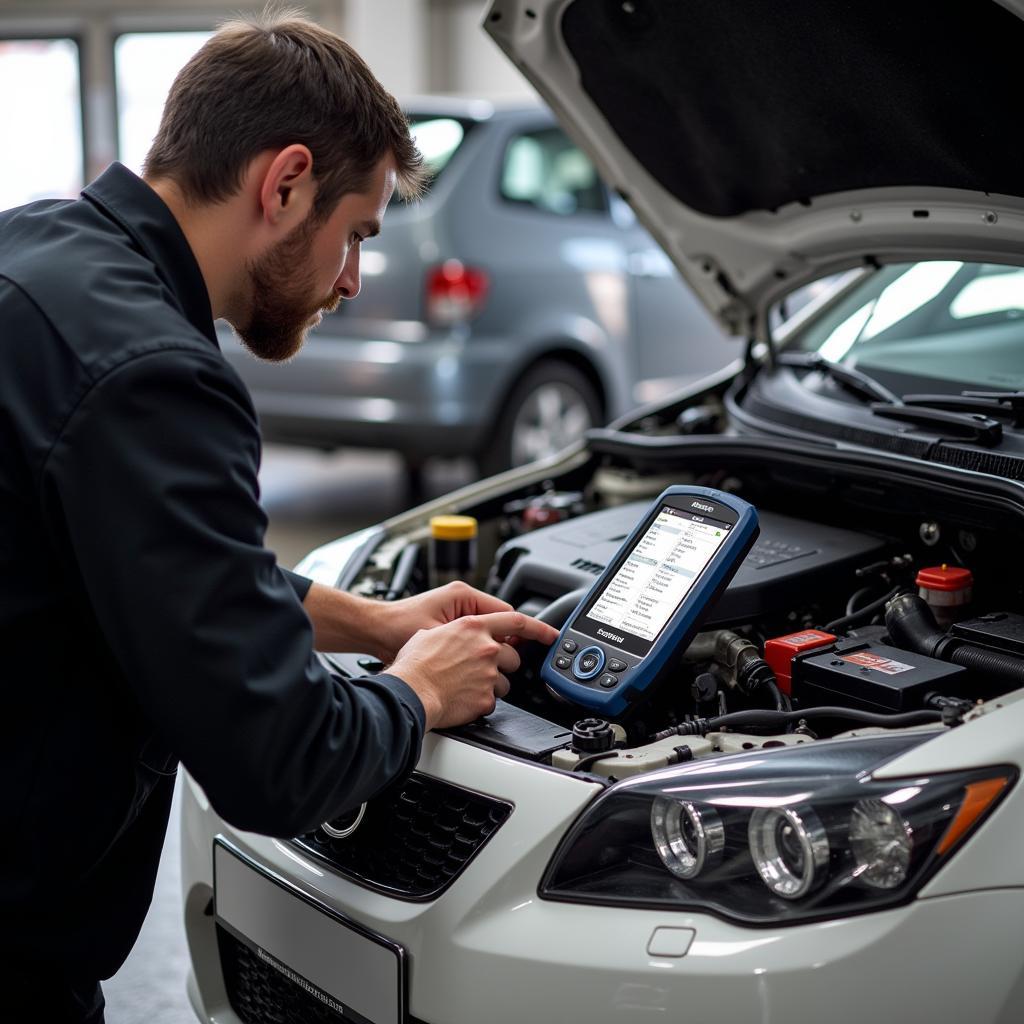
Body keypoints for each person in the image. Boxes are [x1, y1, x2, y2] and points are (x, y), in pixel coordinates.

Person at [0, 11, 558, 1022]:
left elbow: (155, 567)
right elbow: (276, 757)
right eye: (355, 235)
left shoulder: (36, 251)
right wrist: (416, 692)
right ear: (285, 182)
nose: (349, 280)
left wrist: (376, 623)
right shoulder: (158, 377)